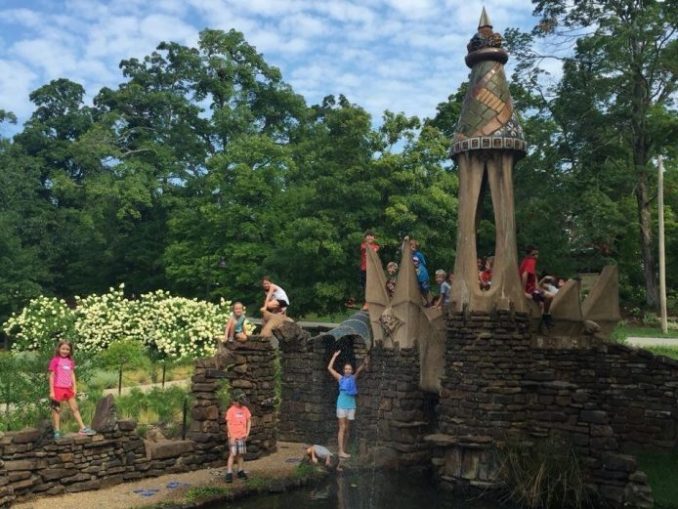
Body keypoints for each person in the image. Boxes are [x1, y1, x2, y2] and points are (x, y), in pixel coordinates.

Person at [48, 341, 96, 439]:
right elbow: (52, 376)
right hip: (57, 388)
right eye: (63, 349)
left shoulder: (70, 362)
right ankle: (57, 431)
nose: (65, 351)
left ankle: (82, 428)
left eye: (67, 349)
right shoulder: (55, 360)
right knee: (56, 410)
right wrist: (52, 391)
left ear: (70, 351)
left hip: (68, 388)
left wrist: (74, 387)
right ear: (59, 349)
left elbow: (72, 374)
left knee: (75, 408)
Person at [327, 350, 369, 459]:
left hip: (351, 406)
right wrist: (334, 356)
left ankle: (343, 450)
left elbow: (360, 369)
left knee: (347, 430)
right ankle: (340, 451)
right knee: (342, 427)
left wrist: (365, 361)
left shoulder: (353, 378)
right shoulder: (340, 378)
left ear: (351, 370)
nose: (348, 370)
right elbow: (329, 368)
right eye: (346, 369)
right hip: (341, 405)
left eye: (349, 369)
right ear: (343, 370)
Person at [519, 246, 553, 327]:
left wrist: (541, 289)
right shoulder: (530, 261)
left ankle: (543, 318)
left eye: (537, 254)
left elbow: (535, 283)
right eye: (534, 254)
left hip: (533, 289)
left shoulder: (525, 262)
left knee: (544, 300)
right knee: (550, 297)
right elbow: (524, 275)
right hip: (529, 290)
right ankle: (545, 316)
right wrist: (523, 291)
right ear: (529, 254)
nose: (536, 256)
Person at [225, 389, 251, 483]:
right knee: (232, 454)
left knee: (240, 455)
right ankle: (229, 473)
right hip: (233, 437)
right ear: (234, 401)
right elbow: (228, 424)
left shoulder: (245, 409)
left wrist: (247, 433)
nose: (239, 403)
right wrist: (232, 436)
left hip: (242, 436)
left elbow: (249, 420)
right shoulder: (231, 411)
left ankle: (240, 471)